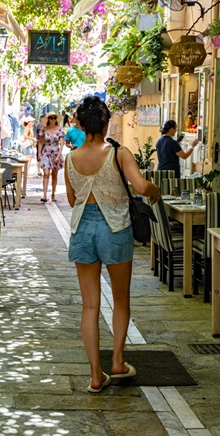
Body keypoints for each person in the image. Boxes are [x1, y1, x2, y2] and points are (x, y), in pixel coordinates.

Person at [64, 96, 161, 393]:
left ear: (81, 125)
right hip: (115, 228)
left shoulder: (71, 158)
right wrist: (156, 190)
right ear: (106, 123)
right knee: (120, 299)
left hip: (83, 229)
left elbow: (71, 200)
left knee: (89, 306)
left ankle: (96, 375)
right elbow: (142, 187)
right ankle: (117, 361)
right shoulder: (119, 153)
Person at [39, 112, 65, 202]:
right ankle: (44, 195)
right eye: (51, 118)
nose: (53, 120)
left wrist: (58, 155)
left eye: (54, 118)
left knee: (54, 174)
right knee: (46, 173)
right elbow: (41, 142)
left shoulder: (60, 130)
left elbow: (61, 144)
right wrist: (39, 153)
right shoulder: (44, 129)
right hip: (46, 152)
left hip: (55, 152)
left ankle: (53, 193)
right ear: (48, 119)